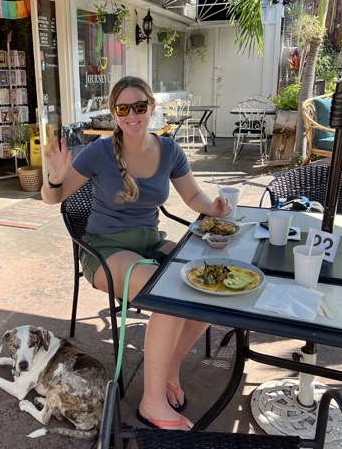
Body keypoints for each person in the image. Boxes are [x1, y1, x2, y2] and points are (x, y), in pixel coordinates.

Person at [42, 76, 231, 430]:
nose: (132, 115)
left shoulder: (169, 150)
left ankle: (169, 369)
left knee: (208, 287)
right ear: (114, 113)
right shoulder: (99, 152)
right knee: (168, 294)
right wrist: (53, 178)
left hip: (150, 240)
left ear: (152, 108)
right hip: (105, 249)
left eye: (139, 107)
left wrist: (214, 208)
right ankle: (151, 402)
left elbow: (192, 196)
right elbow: (54, 199)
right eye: (123, 108)